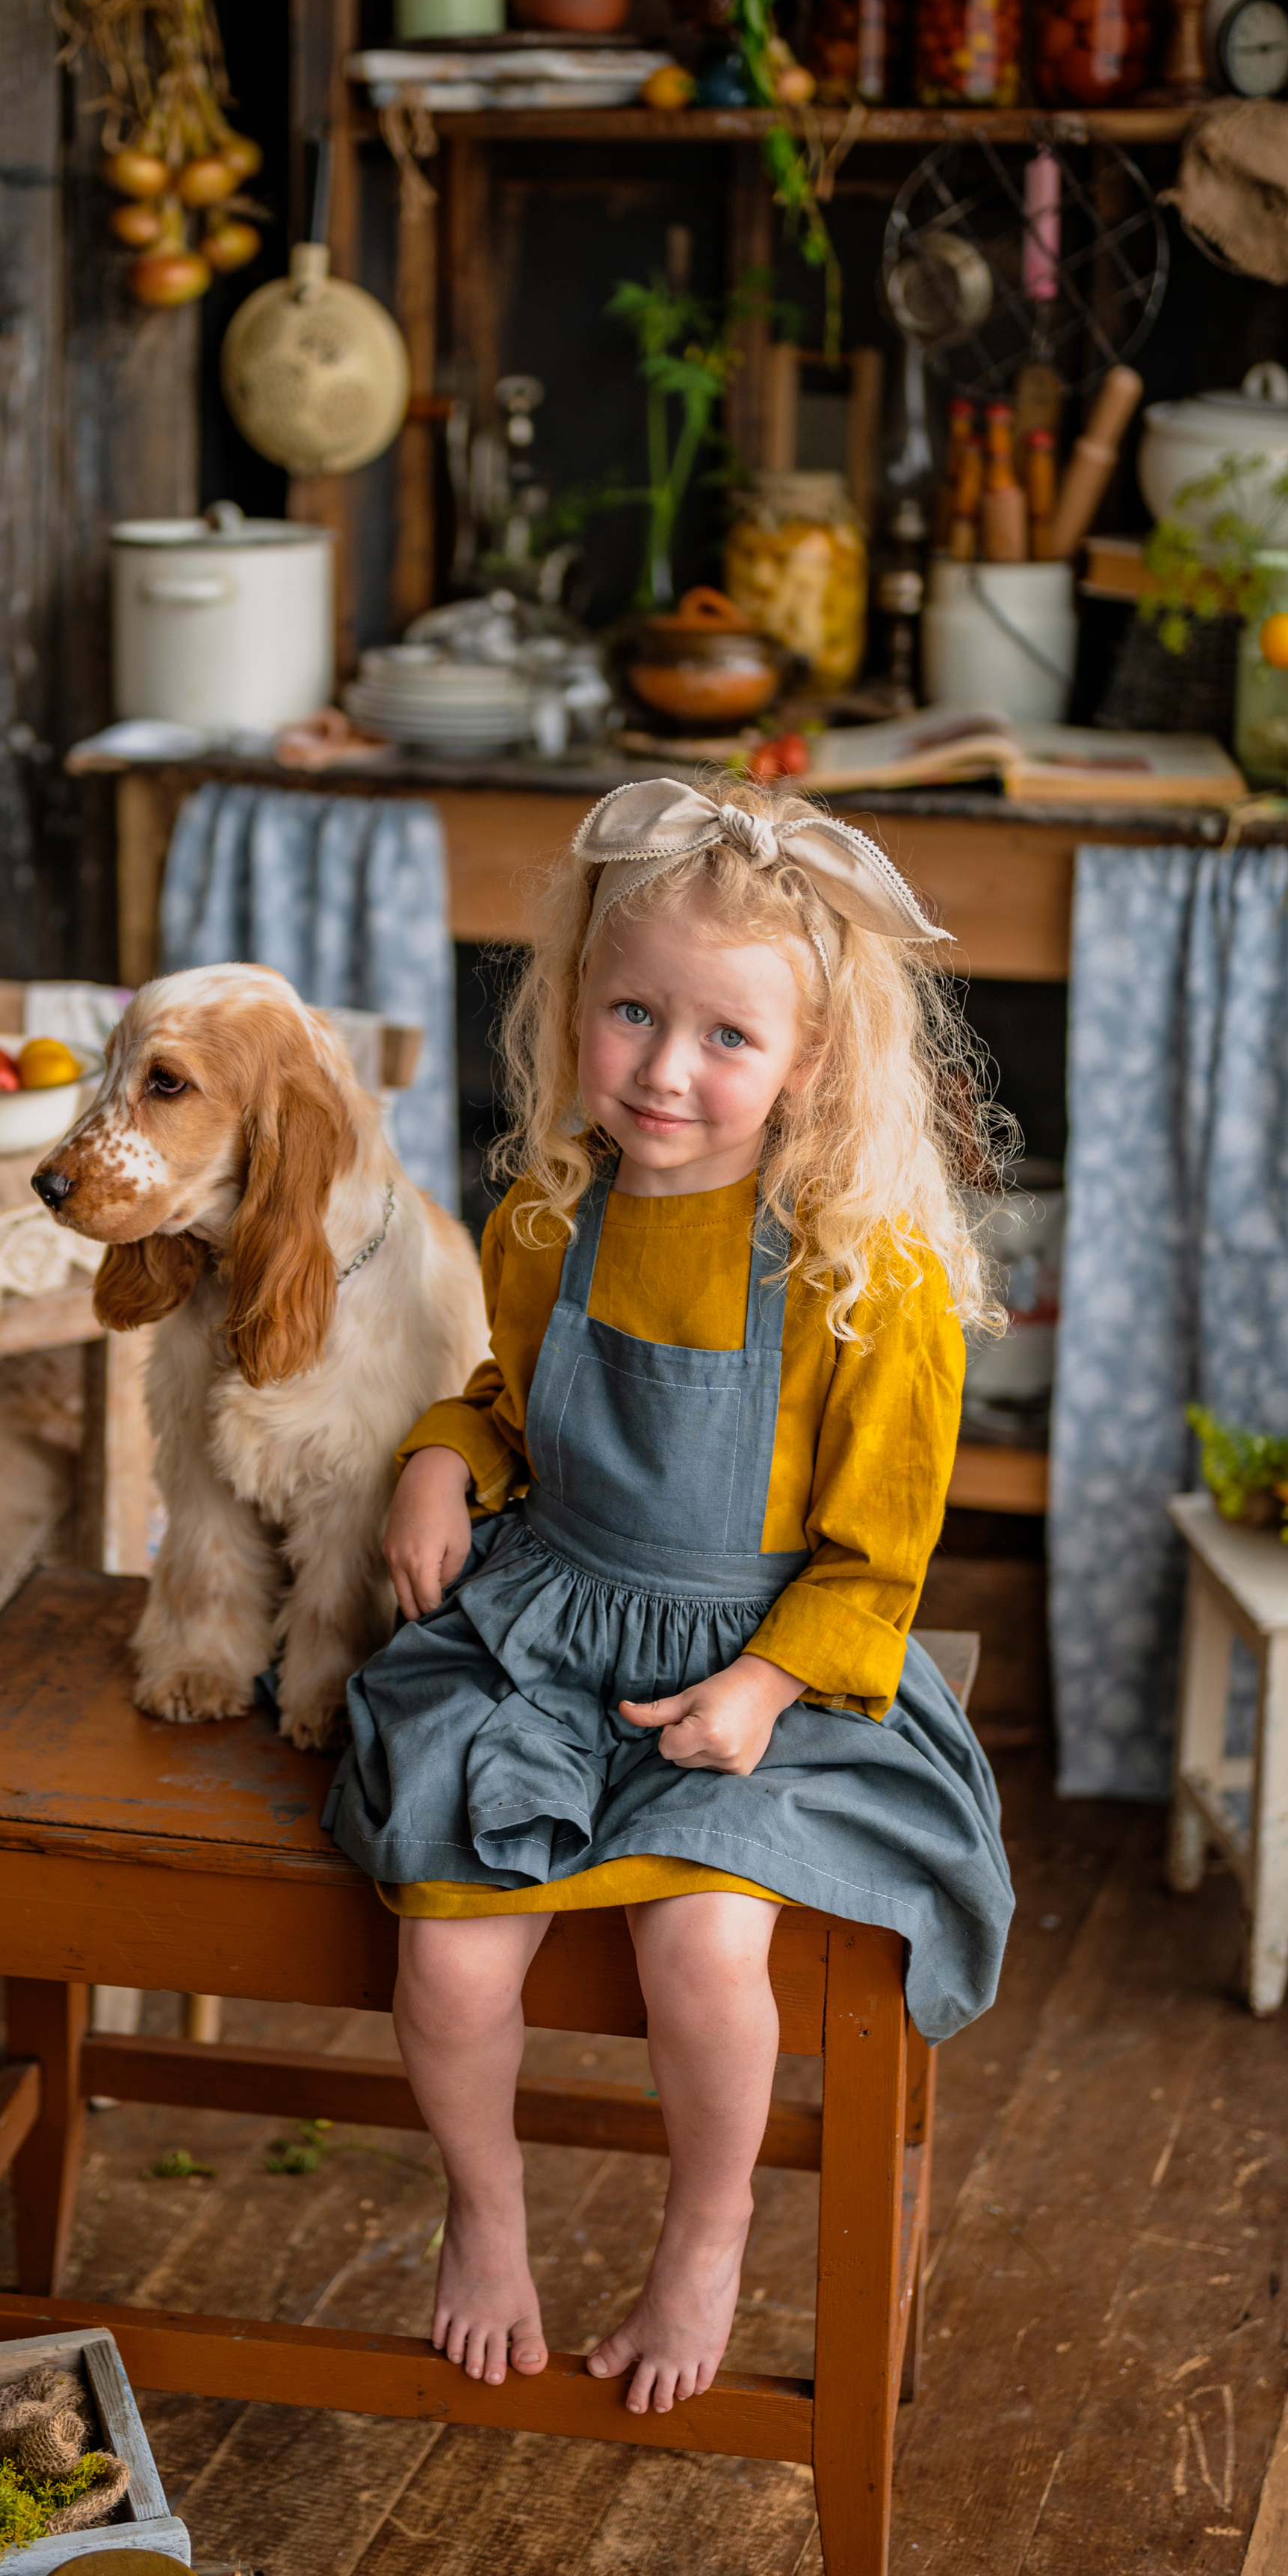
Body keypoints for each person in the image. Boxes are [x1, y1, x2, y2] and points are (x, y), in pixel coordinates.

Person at [323, 774, 1016, 2419]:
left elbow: (875, 1559)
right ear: (573, 1005)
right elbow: (506, 1405)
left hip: (763, 1664)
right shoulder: (550, 1214)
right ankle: (483, 2220)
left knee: (702, 1945)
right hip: (550, 1629)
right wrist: (440, 1456)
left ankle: (703, 2233)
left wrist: (766, 1685)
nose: (660, 1070)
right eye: (629, 1012)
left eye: (724, 1036)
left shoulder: (864, 1275)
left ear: (813, 1061)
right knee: (452, 1952)